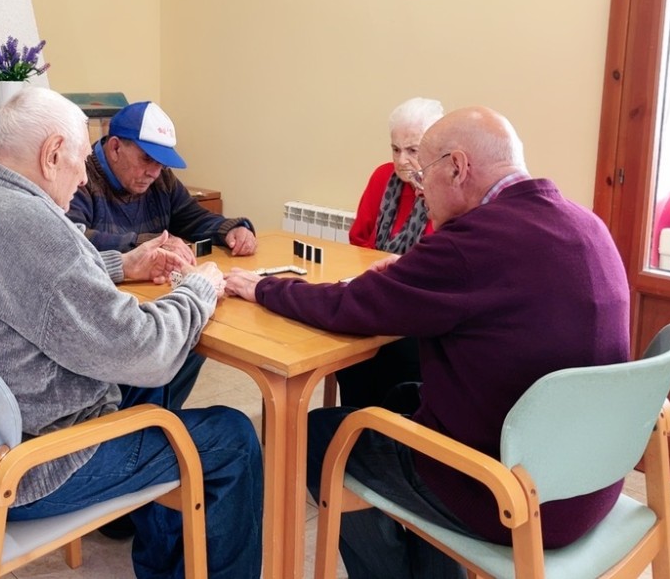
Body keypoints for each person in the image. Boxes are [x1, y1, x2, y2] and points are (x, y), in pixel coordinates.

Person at [225, 106, 630, 579]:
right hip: (591, 479)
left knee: (318, 437)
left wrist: (261, 287)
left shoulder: (469, 243)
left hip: (508, 493)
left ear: (457, 168)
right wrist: (406, 277)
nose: (417, 187)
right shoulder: (585, 223)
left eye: (422, 173)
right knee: (399, 399)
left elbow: (348, 307)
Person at [0, 87, 262, 579]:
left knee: (155, 394)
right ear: (51, 155)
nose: (80, 179)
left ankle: (156, 545)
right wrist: (199, 288)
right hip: (28, 468)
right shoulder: (32, 224)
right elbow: (147, 349)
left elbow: (28, 283)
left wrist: (121, 263)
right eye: (77, 162)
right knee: (232, 436)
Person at [67, 100, 258, 411]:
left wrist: (231, 229)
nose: (154, 172)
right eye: (146, 159)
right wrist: (147, 245)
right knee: (172, 341)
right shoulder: (79, 176)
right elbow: (71, 239)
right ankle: (140, 422)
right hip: (103, 318)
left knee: (194, 330)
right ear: (115, 148)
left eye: (161, 164)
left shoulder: (161, 179)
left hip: (152, 302)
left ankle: (158, 420)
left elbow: (192, 218)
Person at [339, 96, 444, 410]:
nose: (401, 161)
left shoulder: (442, 188)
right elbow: (359, 240)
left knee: (397, 358)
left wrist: (425, 188)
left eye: (412, 151)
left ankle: (385, 432)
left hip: (415, 303)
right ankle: (352, 423)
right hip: (377, 289)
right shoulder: (382, 177)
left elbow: (434, 258)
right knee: (349, 351)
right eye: (395, 149)